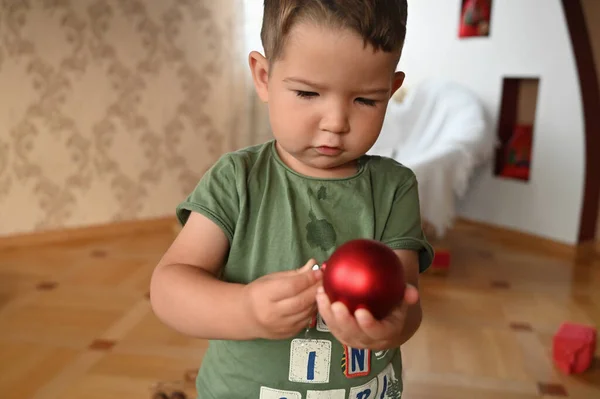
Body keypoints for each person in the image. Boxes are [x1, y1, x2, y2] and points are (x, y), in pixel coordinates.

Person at [149, 0, 434, 397]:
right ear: (264, 76)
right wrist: (245, 309)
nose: (336, 122)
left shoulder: (395, 187)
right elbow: (168, 287)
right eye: (307, 93)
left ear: (391, 88)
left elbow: (408, 301)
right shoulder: (238, 180)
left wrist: (393, 326)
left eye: (366, 100)